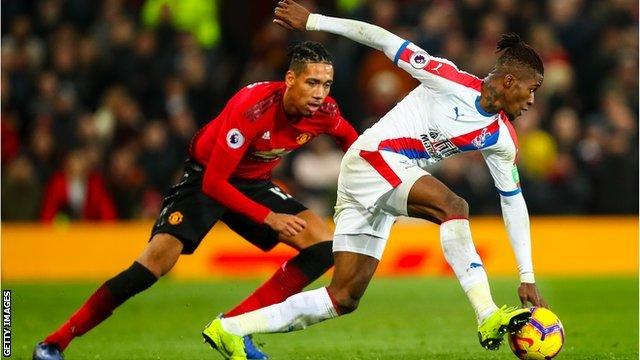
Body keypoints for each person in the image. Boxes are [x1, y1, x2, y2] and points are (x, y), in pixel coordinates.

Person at [201, 1, 548, 359]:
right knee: (453, 206)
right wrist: (314, 21)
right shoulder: (449, 79)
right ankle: (487, 314)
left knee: (344, 297)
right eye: (532, 88)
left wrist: (527, 275)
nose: (533, 100)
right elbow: (382, 38)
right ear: (509, 81)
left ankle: (231, 328)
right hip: (373, 159)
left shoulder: (501, 138)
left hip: (386, 180)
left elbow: (512, 200)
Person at [33, 40, 358, 360]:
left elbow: (351, 141)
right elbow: (215, 183)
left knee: (322, 247)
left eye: (326, 84)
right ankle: (55, 342)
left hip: (253, 182)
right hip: (206, 178)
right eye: (312, 82)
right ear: (290, 79)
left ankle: (230, 327)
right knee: (153, 266)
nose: (320, 93)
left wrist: (370, 181)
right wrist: (268, 217)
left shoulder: (325, 112)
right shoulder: (253, 107)